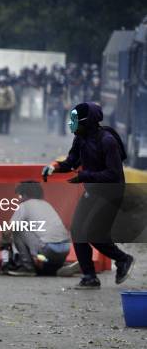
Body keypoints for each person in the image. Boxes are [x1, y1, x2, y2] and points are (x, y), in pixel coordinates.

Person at [42, 102, 135, 289]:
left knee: (94, 234)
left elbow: (113, 174)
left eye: (76, 120)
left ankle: (123, 259)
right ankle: (89, 277)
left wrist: (84, 176)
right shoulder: (80, 138)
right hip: (93, 191)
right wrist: (55, 167)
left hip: (111, 193)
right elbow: (71, 161)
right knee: (78, 231)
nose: (72, 124)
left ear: (88, 122)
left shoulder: (107, 141)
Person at [2, 181, 70, 276]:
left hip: (47, 251)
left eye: (19, 196)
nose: (18, 199)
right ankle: (58, 266)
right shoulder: (47, 205)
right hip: (65, 249)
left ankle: (28, 267)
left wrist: (3, 242)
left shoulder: (24, 206)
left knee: (17, 229)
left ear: (24, 195)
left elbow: (7, 230)